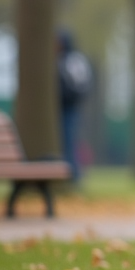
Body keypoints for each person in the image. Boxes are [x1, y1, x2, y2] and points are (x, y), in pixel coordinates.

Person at [56, 31, 93, 183]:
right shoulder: (74, 60)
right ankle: (72, 175)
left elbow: (79, 85)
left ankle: (73, 177)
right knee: (68, 141)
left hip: (68, 107)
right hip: (69, 107)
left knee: (69, 141)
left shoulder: (69, 60)